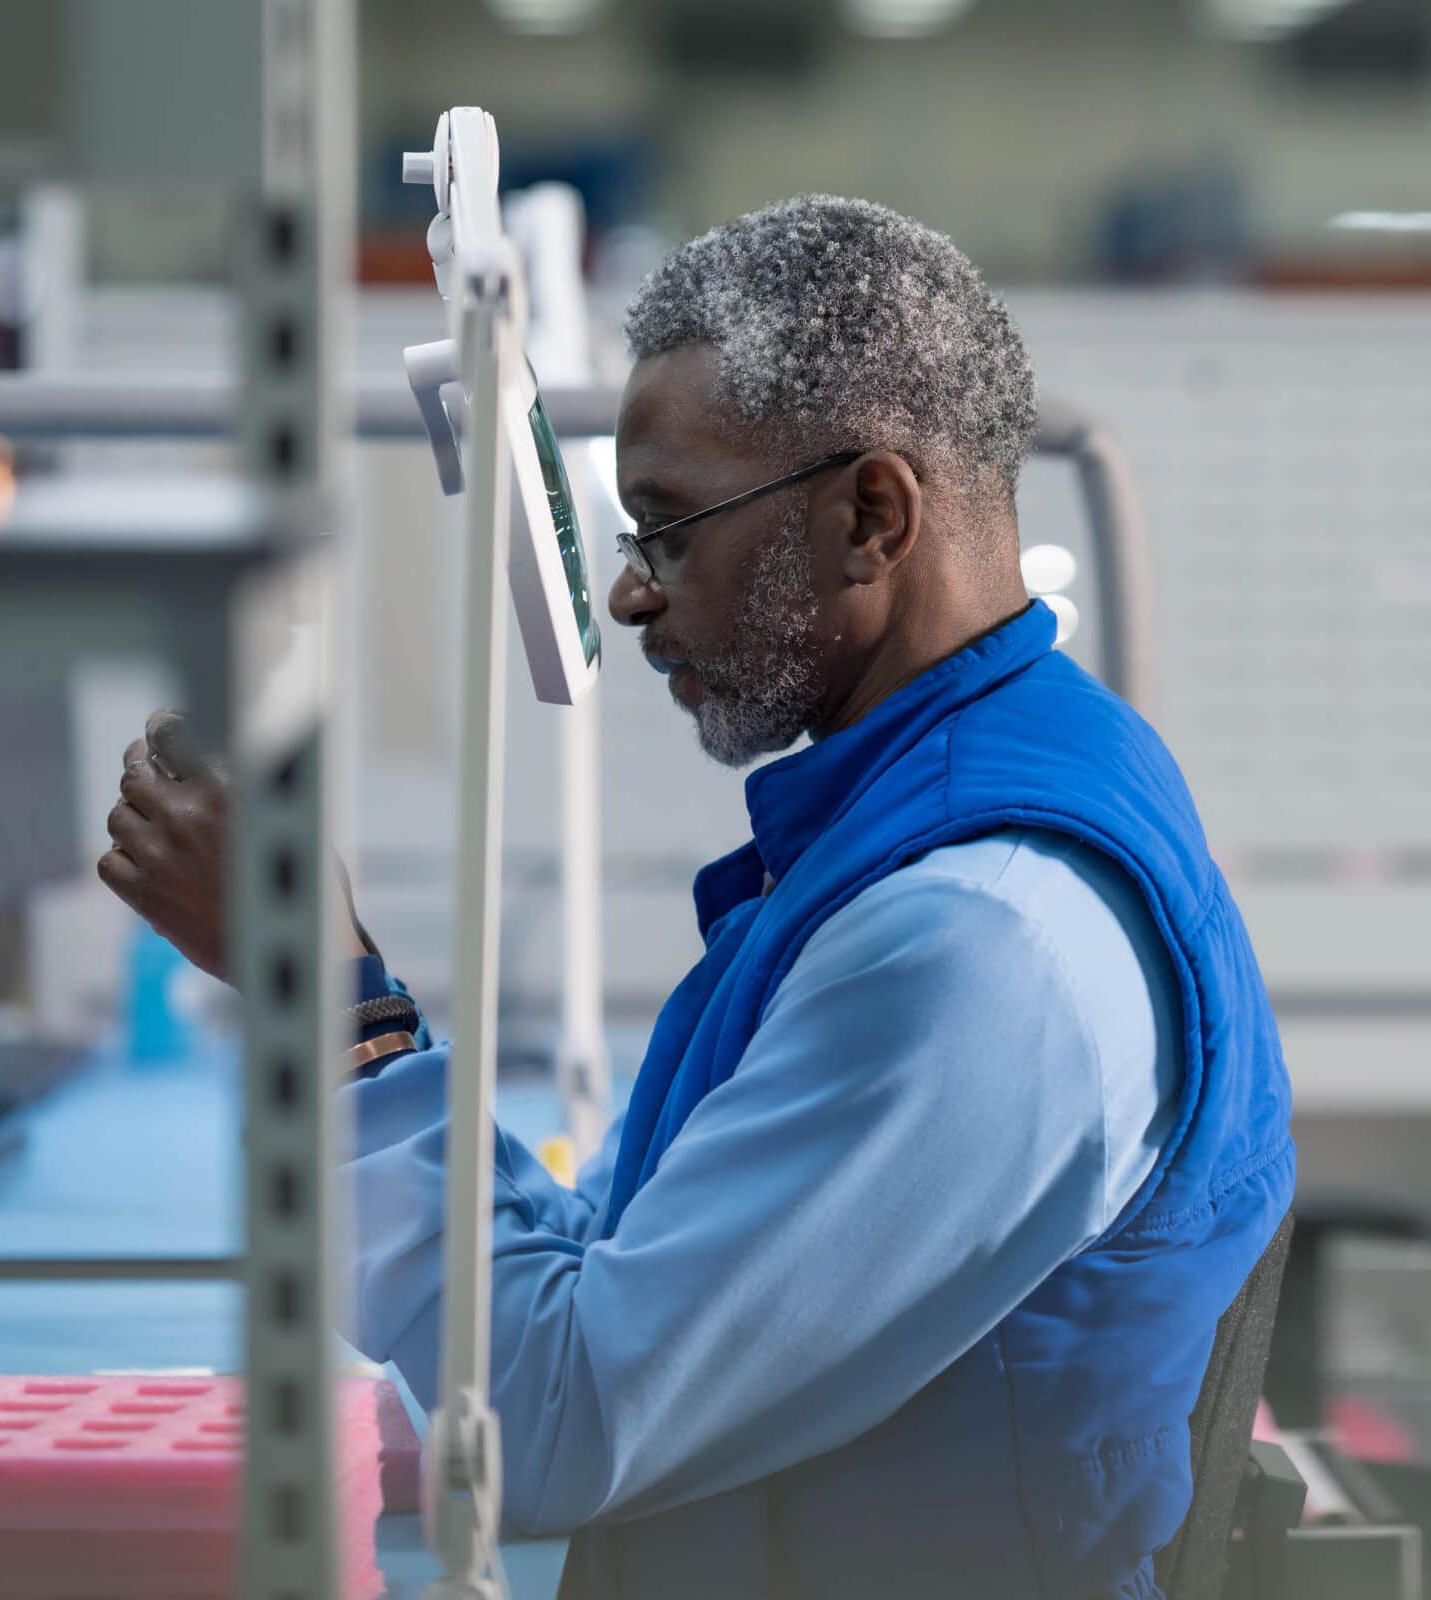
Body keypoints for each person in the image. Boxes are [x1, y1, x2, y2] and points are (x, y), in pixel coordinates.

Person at [99, 196, 1294, 1600]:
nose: (625, 598)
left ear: (872, 516)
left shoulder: (977, 947)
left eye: (668, 530)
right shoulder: (939, 807)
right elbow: (604, 1273)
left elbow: (551, 1424)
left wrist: (327, 1002)